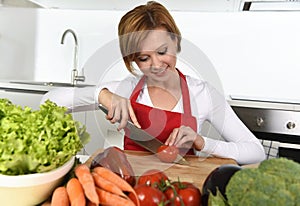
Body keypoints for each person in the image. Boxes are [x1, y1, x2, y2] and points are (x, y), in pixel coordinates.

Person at [41, 1, 265, 165]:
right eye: (143, 58)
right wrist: (103, 95)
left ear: (175, 42)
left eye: (162, 52)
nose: (156, 65)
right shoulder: (127, 89)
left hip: (183, 190)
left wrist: (200, 141)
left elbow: (256, 151)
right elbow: (48, 101)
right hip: (133, 191)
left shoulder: (203, 94)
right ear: (132, 59)